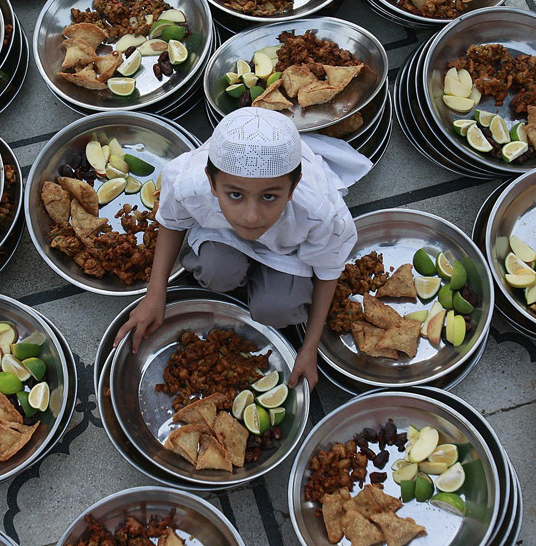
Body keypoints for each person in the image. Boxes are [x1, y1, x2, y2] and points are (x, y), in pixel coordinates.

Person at [114, 107, 371, 389]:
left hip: (287, 249)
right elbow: (171, 222)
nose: (251, 217)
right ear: (212, 183)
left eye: (269, 197)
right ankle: (238, 266)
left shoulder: (319, 213)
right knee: (216, 273)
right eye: (235, 195)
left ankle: (267, 284)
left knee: (278, 310)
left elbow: (327, 271)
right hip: (222, 232)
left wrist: (309, 349)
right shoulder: (190, 185)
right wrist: (155, 293)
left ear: (294, 186)